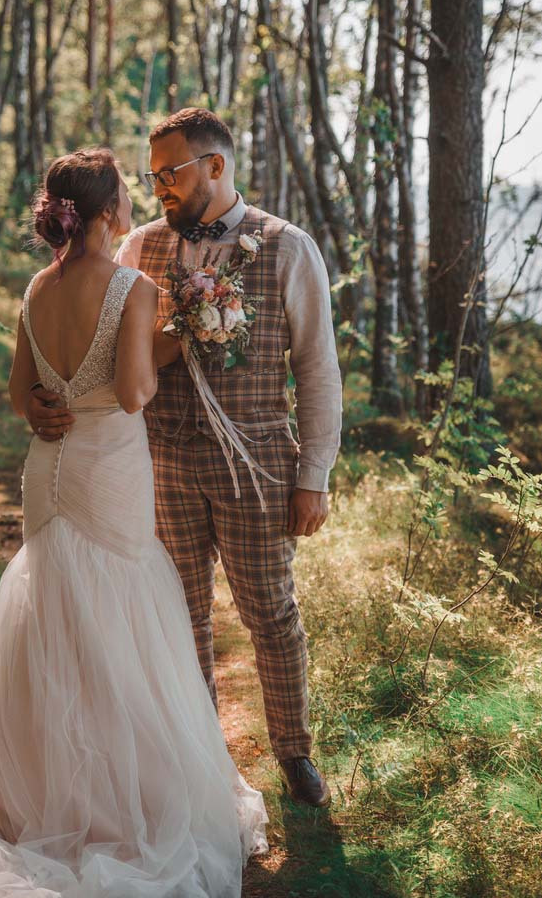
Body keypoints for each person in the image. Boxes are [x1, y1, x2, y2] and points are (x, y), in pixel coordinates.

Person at [0, 147, 268, 898]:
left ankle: (27, 794)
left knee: (50, 600)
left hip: (47, 469)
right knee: (117, 610)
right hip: (105, 464)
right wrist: (177, 332)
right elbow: (131, 393)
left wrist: (61, 398)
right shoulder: (134, 287)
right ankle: (112, 805)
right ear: (104, 212)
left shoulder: (36, 287)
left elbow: (24, 390)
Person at [26, 111, 343, 807]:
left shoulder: (288, 249)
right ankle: (199, 752)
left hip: (256, 463)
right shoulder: (137, 246)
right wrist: (49, 400)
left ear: (215, 167)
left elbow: (317, 369)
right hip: (157, 459)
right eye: (152, 175)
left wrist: (312, 476)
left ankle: (293, 752)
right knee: (179, 614)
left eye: (170, 172)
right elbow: (96, 343)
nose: (158, 187)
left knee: (270, 613)